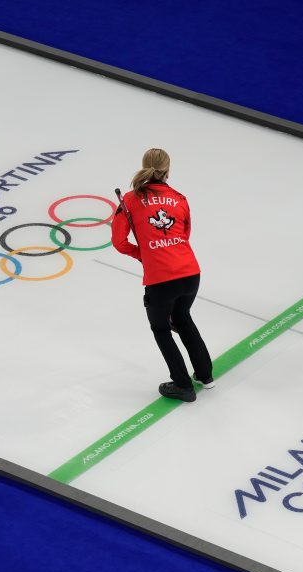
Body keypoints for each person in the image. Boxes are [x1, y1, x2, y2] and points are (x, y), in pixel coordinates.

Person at [112, 148, 214, 403]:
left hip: (161, 278)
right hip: (190, 272)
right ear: (168, 171)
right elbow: (185, 233)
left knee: (161, 329)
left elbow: (119, 242)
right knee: (182, 318)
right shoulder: (179, 198)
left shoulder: (131, 199)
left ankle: (182, 385)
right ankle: (205, 374)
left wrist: (144, 254)